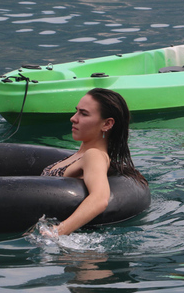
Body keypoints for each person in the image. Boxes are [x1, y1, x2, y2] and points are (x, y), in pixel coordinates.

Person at [40, 88, 147, 236]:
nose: (73, 118)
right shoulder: (80, 154)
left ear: (107, 124)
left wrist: (57, 232)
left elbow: (100, 199)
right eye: (76, 111)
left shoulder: (94, 155)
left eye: (83, 114)